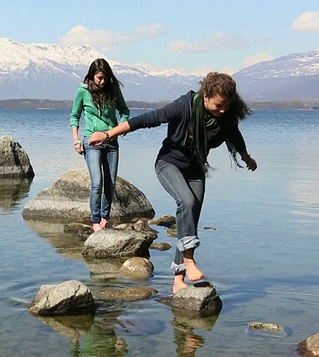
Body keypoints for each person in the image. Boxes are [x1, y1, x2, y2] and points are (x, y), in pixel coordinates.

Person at [89, 72, 257, 294]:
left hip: (195, 169)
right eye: (219, 105)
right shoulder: (184, 106)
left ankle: (178, 280)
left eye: (227, 105)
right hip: (168, 164)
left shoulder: (226, 114)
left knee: (190, 219)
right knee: (186, 201)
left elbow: (233, 133)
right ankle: (188, 260)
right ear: (205, 96)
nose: (223, 110)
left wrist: (246, 157)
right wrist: (108, 134)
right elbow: (147, 119)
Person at [70, 58, 130, 232]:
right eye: (99, 78)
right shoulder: (83, 91)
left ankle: (105, 217)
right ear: (92, 76)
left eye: (105, 78)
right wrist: (76, 140)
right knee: (97, 181)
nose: (102, 82)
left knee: (110, 183)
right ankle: (95, 220)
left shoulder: (113, 90)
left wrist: (122, 126)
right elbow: (74, 116)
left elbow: (124, 111)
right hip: (92, 142)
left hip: (111, 142)